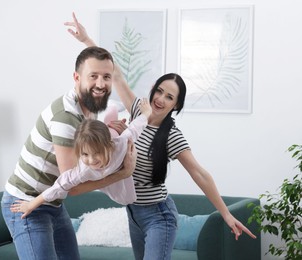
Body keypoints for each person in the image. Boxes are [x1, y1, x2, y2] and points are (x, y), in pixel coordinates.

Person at [65, 12, 257, 260]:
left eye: (170, 97)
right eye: (160, 91)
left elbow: (199, 173)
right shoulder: (136, 111)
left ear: (175, 105)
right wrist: (86, 40)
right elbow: (116, 73)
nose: (161, 99)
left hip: (159, 215)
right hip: (133, 213)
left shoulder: (172, 136)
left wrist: (226, 214)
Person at [1, 45, 137, 260]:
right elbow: (72, 185)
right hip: (27, 203)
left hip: (53, 203)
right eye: (93, 76)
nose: (101, 84)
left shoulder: (89, 109)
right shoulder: (66, 119)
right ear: (77, 77)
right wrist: (122, 173)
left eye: (106, 77)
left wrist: (112, 135)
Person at [10, 98, 152, 219]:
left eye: (96, 153)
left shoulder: (121, 144)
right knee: (124, 197)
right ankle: (111, 109)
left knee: (112, 127)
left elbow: (136, 127)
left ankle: (112, 107)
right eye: (85, 155)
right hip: (107, 165)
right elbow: (58, 187)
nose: (91, 160)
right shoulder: (81, 171)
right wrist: (31, 204)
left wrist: (147, 112)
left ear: (109, 146)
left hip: (111, 138)